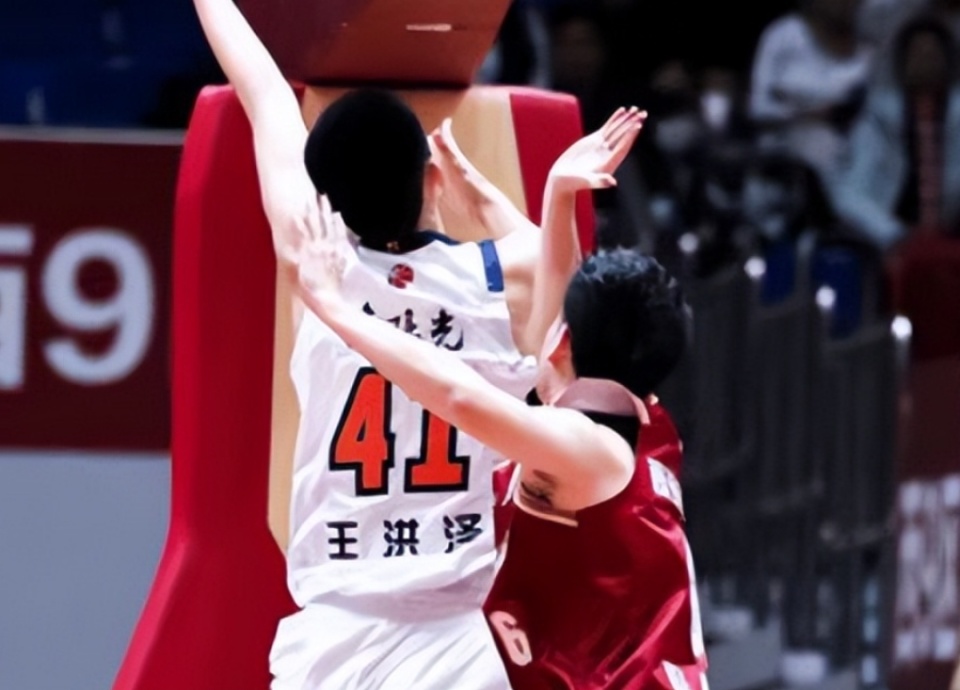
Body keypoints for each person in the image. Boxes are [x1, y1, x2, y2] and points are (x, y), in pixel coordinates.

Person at [191, 2, 645, 688]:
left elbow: (264, 94)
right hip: (463, 635)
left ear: (325, 200)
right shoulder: (506, 277)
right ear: (431, 175)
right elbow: (565, 284)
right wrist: (531, 196)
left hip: (335, 634)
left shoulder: (317, 265)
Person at [294, 158, 707, 689]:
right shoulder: (638, 415)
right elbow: (562, 289)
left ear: (561, 342)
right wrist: (549, 194)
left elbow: (459, 396)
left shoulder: (587, 448)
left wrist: (334, 308)